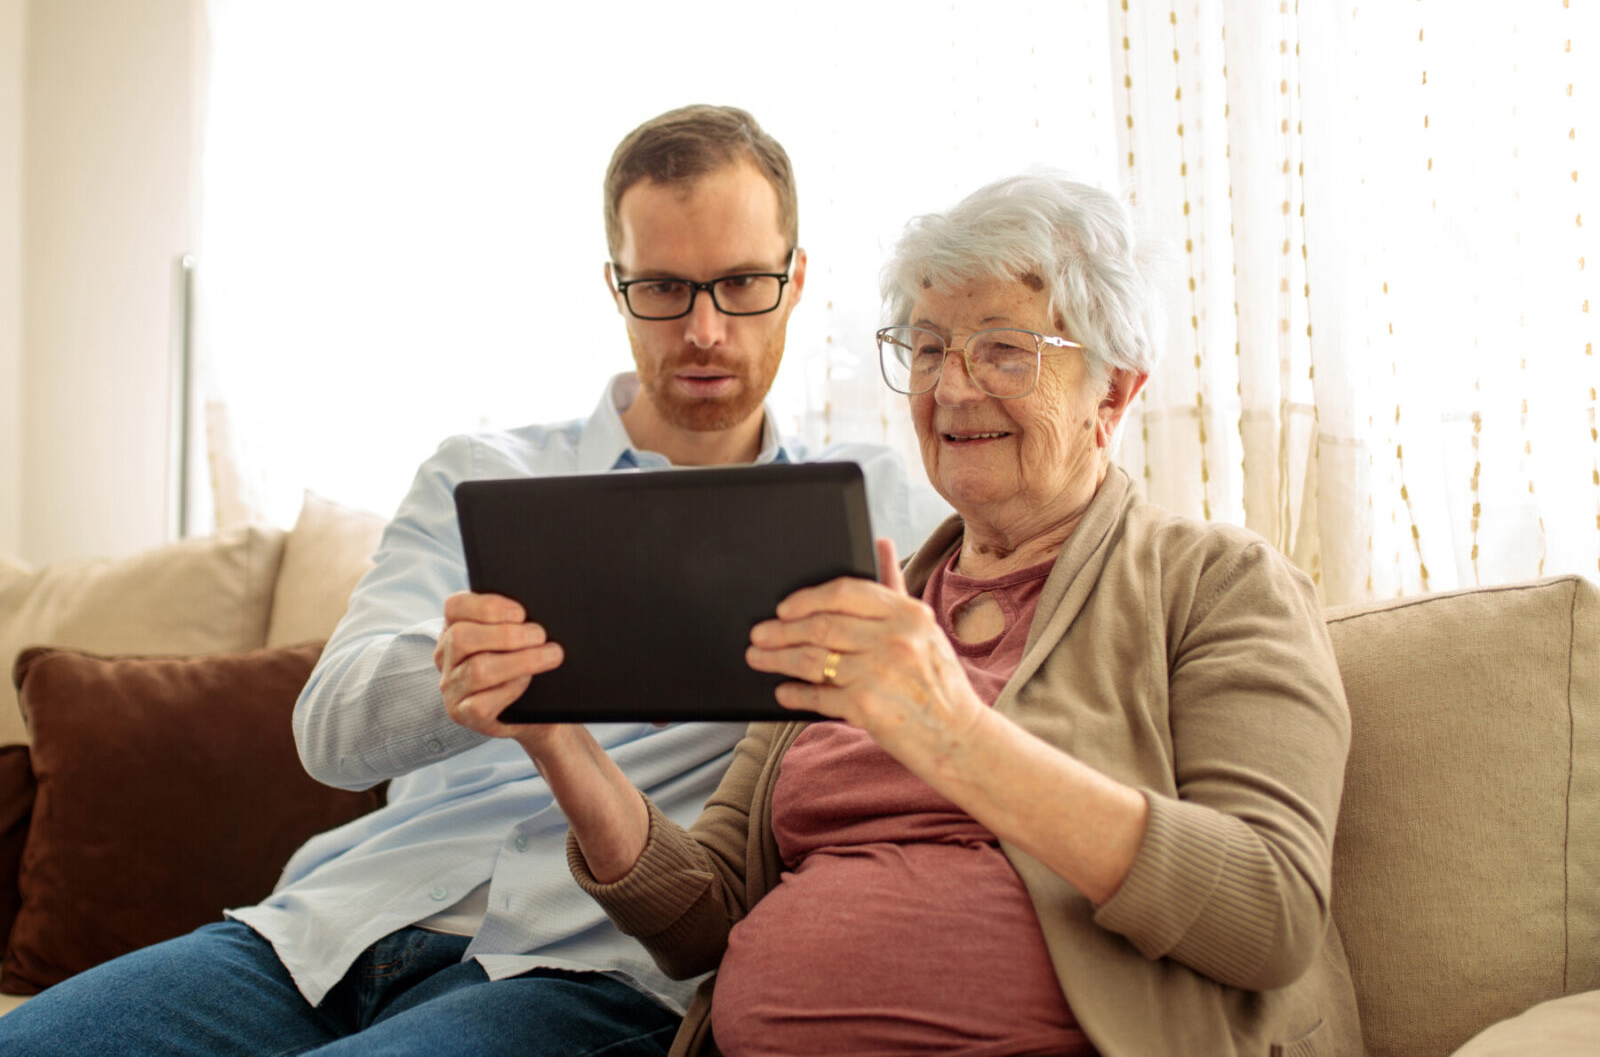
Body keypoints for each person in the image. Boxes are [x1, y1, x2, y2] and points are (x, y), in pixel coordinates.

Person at [0, 105, 943, 1055]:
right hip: (336, 929)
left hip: (591, 965)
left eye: (741, 283)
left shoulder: (875, 506)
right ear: (614, 287)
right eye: (661, 286)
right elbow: (328, 735)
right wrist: (457, 675)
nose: (703, 329)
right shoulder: (485, 473)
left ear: (797, 280)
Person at [456, 171, 1364, 1056]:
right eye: (929, 349)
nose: (954, 388)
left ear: (1115, 391)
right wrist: (555, 736)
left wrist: (955, 735)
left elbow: (1268, 911)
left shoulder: (1219, 584)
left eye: (1006, 348)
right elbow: (701, 918)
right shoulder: (856, 608)